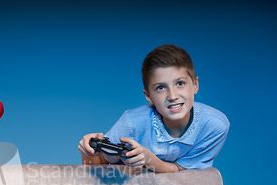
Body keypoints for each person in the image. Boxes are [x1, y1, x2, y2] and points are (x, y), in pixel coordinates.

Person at [78, 44, 229, 172]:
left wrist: (149, 159)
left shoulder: (214, 126)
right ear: (148, 96)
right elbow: (95, 168)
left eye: (180, 83)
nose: (172, 96)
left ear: (195, 85)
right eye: (161, 87)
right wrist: (89, 152)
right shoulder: (132, 123)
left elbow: (181, 172)